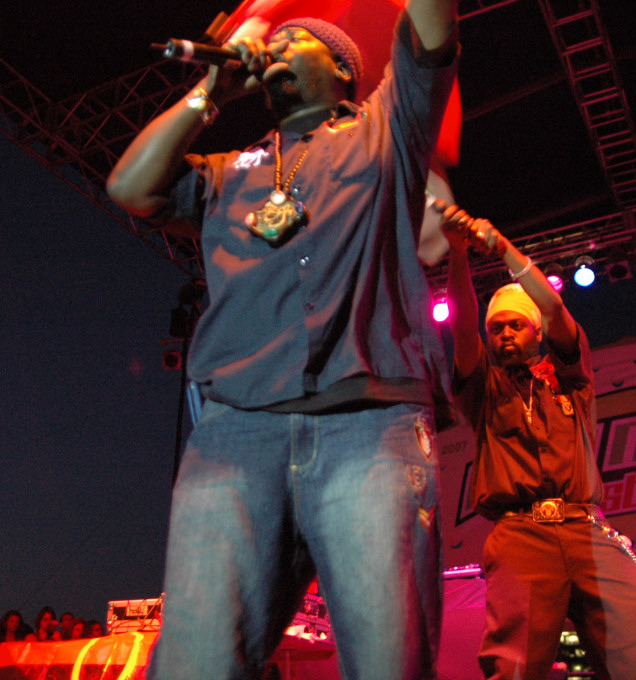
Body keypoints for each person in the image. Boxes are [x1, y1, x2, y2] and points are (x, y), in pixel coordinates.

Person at [106, 1, 459, 678]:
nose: (277, 47)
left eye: (297, 40)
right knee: (197, 662)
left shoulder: (386, 127)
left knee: (388, 660)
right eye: (276, 39)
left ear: (343, 69)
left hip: (368, 427)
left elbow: (433, 30)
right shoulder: (227, 170)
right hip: (234, 435)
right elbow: (130, 186)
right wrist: (210, 94)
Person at [439, 207, 636, 680]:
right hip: (521, 537)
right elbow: (462, 327)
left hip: (588, 531)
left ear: (537, 331)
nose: (505, 334)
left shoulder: (570, 379)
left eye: (516, 325)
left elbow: (554, 308)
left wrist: (503, 248)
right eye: (496, 328)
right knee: (514, 666)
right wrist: (458, 254)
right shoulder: (485, 389)